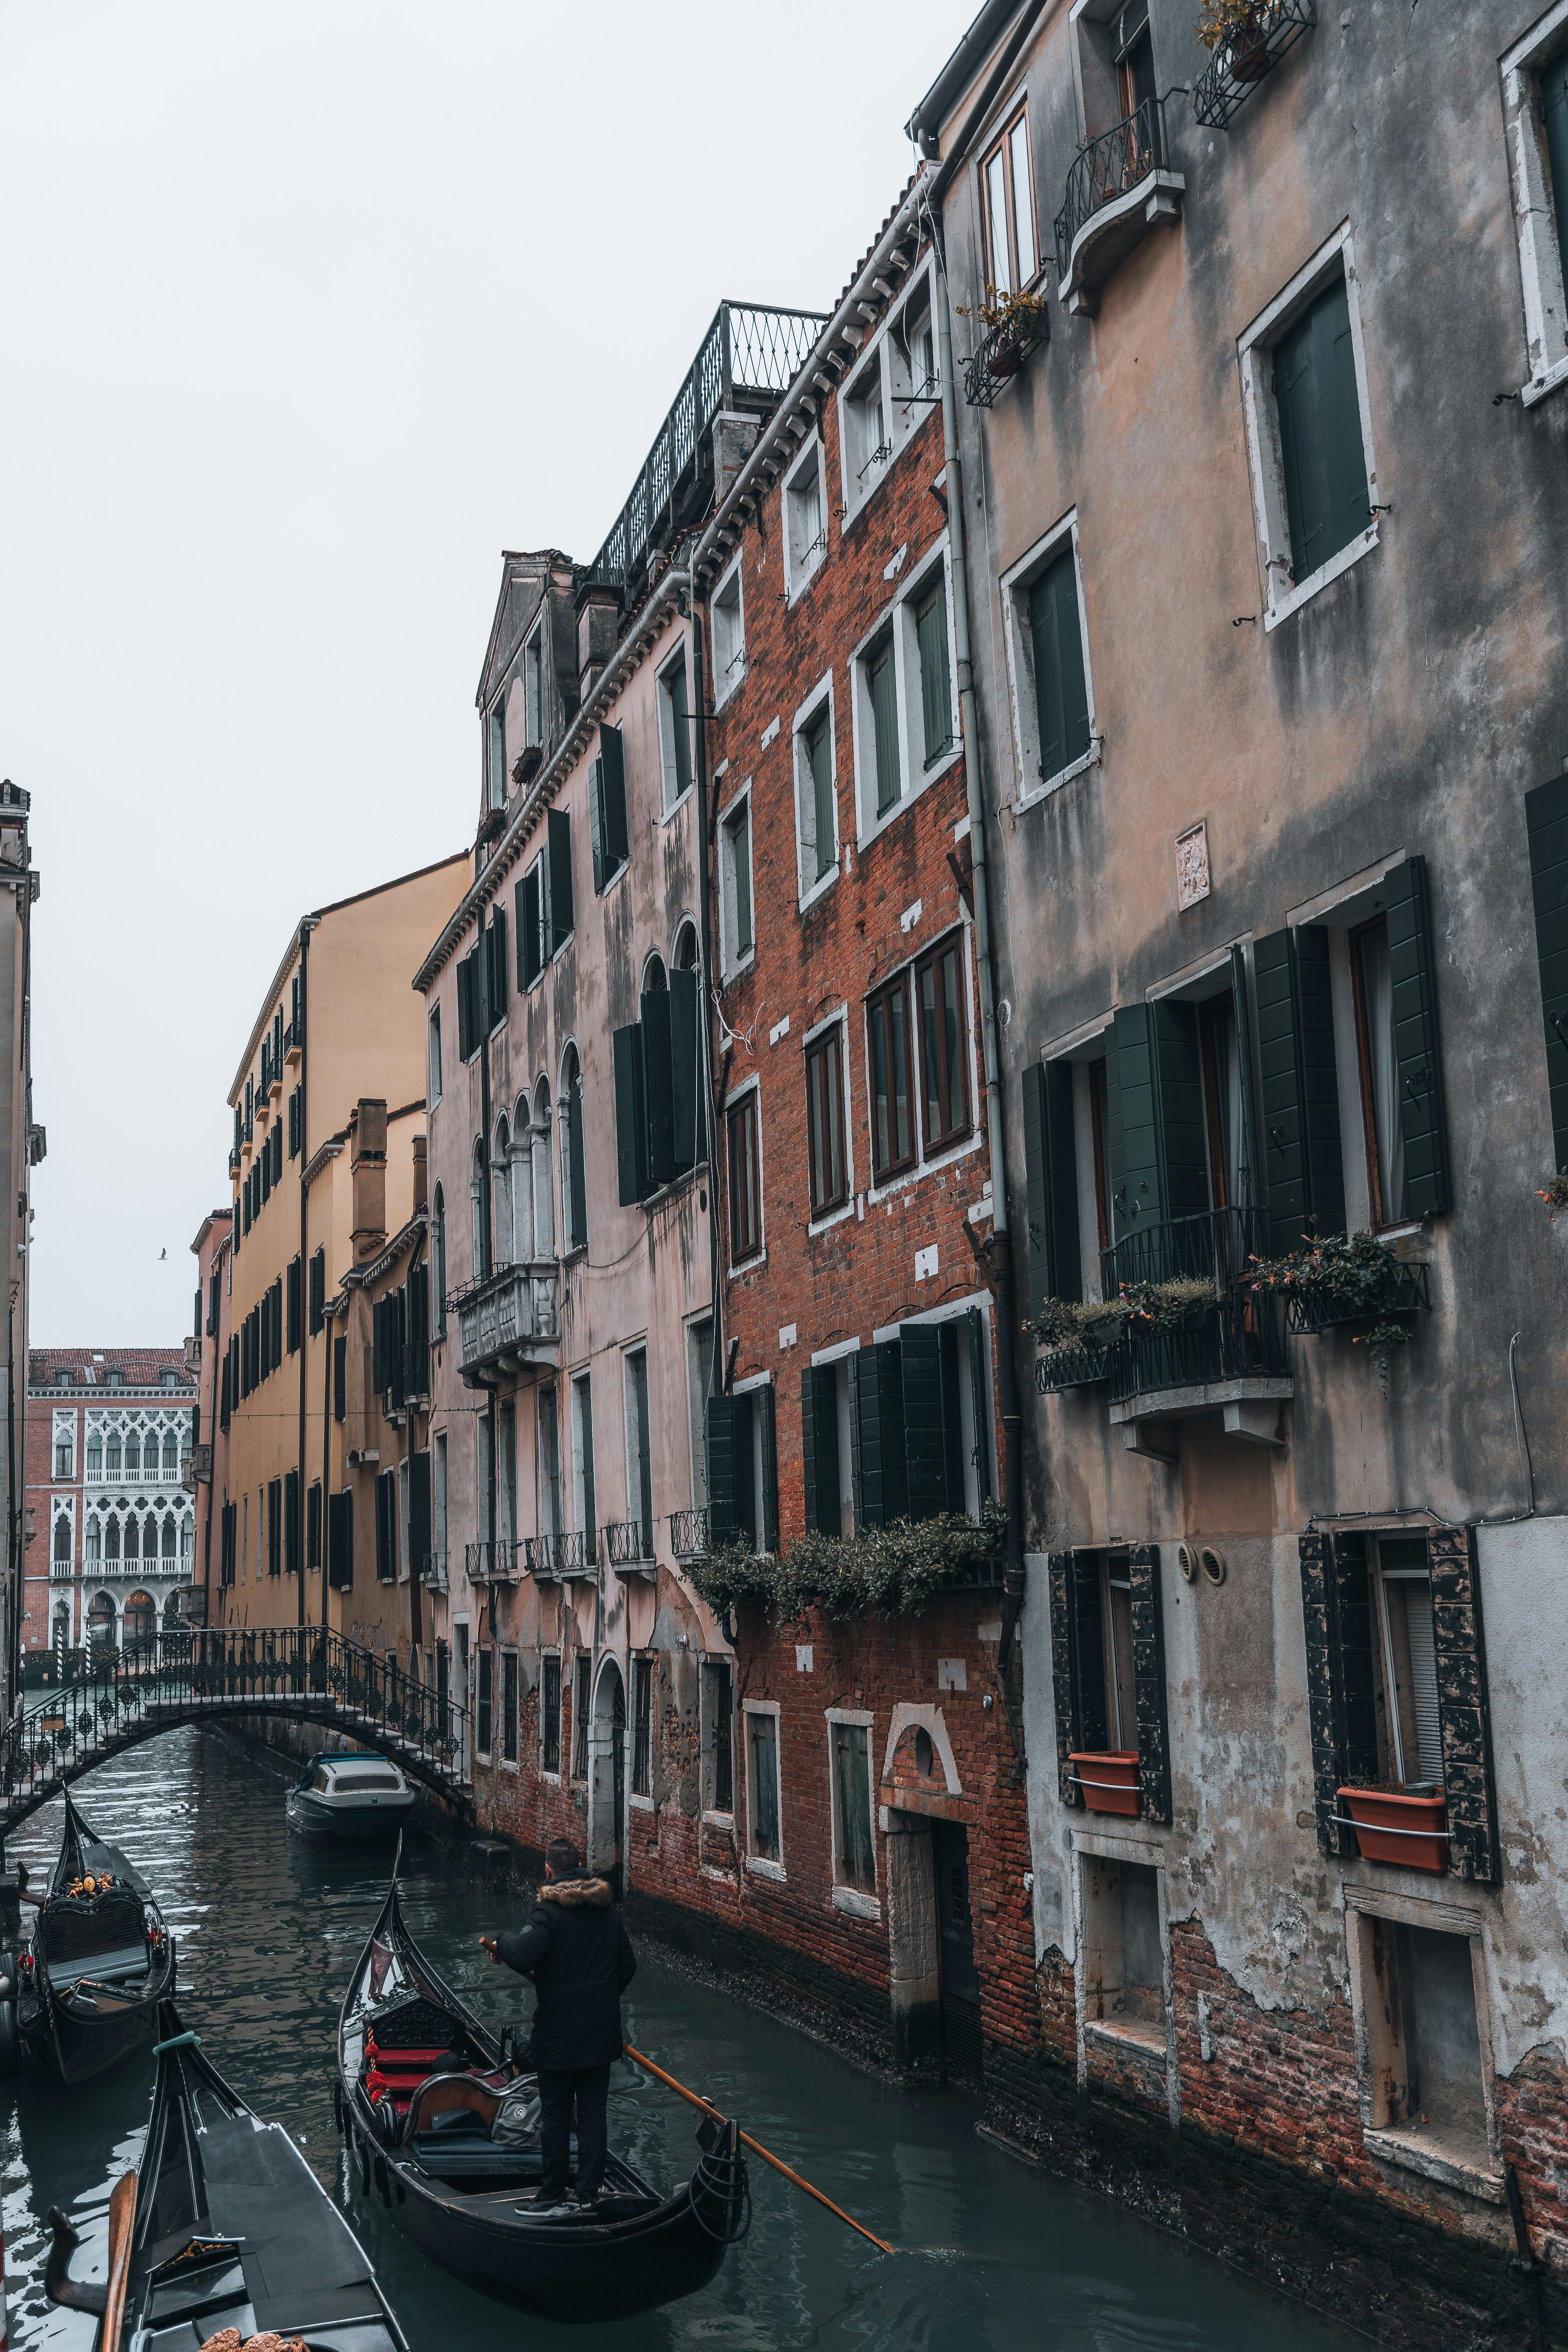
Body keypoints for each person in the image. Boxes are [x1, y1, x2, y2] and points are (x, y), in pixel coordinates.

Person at [480, 1835, 635, 2209]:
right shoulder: (608, 1912)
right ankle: (589, 2194)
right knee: (594, 2115)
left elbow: (522, 1953)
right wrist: (599, 2000)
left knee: (555, 2114)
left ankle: (551, 2195)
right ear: (582, 1870)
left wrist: (499, 1940)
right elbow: (627, 1967)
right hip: (600, 2037)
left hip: (560, 2037)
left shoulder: (547, 1913)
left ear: (548, 1870)